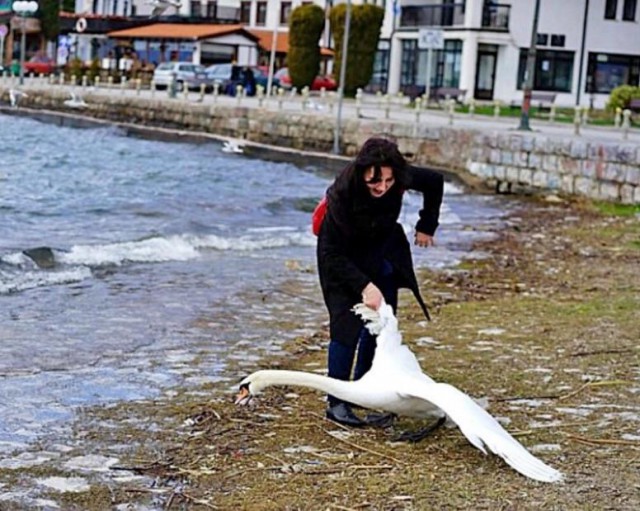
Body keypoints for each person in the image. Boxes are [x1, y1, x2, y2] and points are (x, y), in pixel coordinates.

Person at [316, 136, 444, 427]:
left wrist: (427, 225)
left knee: (381, 325)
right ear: (362, 171)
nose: (382, 187)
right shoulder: (342, 194)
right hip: (341, 259)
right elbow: (331, 252)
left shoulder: (397, 175)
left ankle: (368, 391)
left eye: (388, 181)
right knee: (345, 326)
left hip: (381, 251)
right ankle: (337, 402)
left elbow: (434, 181)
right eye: (375, 181)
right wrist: (364, 286)